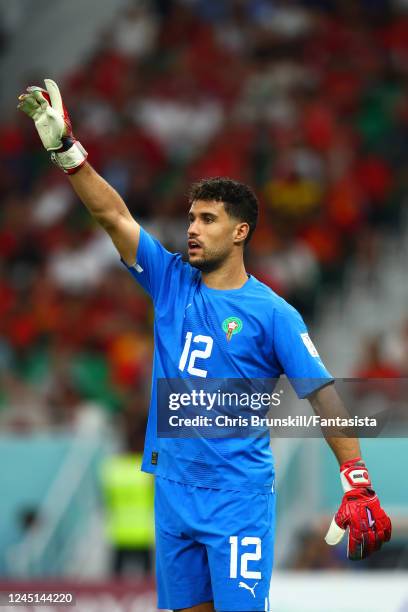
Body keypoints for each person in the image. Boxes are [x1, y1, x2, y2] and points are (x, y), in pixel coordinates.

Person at [18, 80, 392, 612]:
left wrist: (357, 481)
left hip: (237, 498)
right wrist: (67, 154)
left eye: (208, 219)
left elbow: (324, 396)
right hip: (173, 491)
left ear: (240, 232)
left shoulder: (273, 313)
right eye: (192, 217)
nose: (192, 228)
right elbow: (113, 216)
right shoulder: (169, 280)